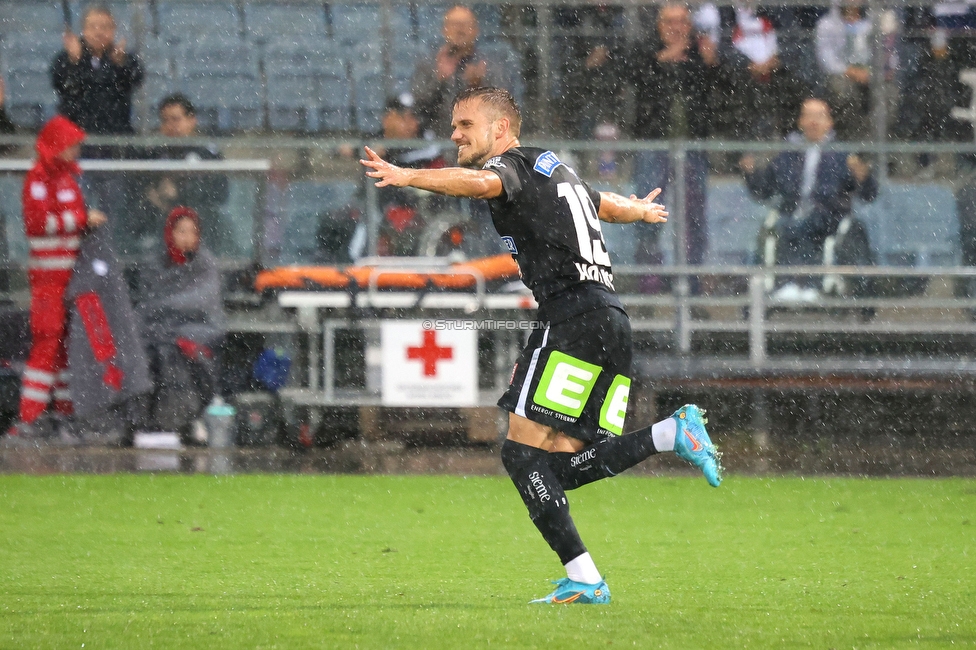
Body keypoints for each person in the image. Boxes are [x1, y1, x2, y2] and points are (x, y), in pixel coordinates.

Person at [361, 87, 721, 605]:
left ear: (501, 129)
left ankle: (587, 578)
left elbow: (478, 183)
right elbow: (601, 204)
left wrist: (409, 176)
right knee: (554, 465)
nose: (455, 134)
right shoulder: (554, 171)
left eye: (465, 125)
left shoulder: (508, 166)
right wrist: (638, 214)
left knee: (519, 453)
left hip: (570, 316)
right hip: (610, 319)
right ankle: (670, 434)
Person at [10, 115, 107, 440]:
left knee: (66, 348)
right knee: (46, 345)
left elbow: (57, 221)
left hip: (71, 278)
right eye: (73, 144)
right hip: (48, 282)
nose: (77, 150)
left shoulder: (68, 178)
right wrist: (80, 219)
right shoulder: (37, 179)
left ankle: (65, 416)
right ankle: (30, 418)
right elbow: (37, 224)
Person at [623, 3, 722, 288]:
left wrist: (710, 63)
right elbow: (630, 76)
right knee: (646, 212)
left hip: (692, 147)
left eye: (681, 22)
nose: (675, 27)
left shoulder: (700, 53)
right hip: (653, 145)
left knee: (694, 218)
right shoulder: (645, 51)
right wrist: (664, 59)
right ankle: (649, 280)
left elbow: (725, 85)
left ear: (689, 26)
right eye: (669, 21)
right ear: (659, 25)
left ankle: (691, 281)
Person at [739, 97, 878, 300]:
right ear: (800, 122)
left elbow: (869, 194)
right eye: (808, 116)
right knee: (783, 226)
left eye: (819, 116)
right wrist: (750, 174)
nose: (813, 122)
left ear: (830, 122)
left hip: (831, 216)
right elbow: (765, 190)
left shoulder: (842, 154)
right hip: (791, 212)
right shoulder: (788, 153)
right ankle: (786, 285)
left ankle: (810, 285)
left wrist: (863, 177)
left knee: (806, 225)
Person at [136, 206, 225, 435]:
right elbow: (147, 304)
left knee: (180, 351)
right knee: (142, 350)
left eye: (192, 232)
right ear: (169, 233)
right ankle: (146, 420)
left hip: (198, 328)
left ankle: (184, 417)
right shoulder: (154, 264)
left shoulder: (205, 265)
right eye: (181, 231)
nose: (187, 238)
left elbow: (202, 302)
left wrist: (167, 308)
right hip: (159, 330)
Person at [129, 94, 230, 255]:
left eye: (175, 119)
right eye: (165, 120)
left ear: (192, 120)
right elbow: (136, 186)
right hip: (159, 229)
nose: (170, 126)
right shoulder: (154, 153)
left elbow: (220, 193)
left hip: (200, 227)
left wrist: (178, 194)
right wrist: (154, 196)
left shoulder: (207, 154)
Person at [412, 5, 510, 138]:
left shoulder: (490, 65)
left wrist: (479, 85)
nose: (459, 29)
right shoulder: (429, 64)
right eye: (454, 24)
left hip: (480, 142)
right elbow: (417, 109)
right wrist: (439, 80)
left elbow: (504, 108)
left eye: (465, 24)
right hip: (438, 143)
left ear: (476, 30)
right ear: (444, 30)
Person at [51, 5, 143, 136]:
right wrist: (74, 63)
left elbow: (136, 80)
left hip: (115, 135)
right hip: (75, 136)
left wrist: (120, 64)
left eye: (105, 27)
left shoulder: (124, 58)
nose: (98, 32)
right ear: (84, 30)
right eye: (92, 27)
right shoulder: (66, 58)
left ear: (113, 30)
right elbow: (60, 84)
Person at [815, 1, 872, 139]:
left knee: (888, 95)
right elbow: (826, 60)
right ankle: (851, 145)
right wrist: (850, 71)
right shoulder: (826, 24)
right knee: (843, 91)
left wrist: (872, 73)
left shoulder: (873, 23)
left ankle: (870, 147)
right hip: (840, 75)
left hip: (870, 74)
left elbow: (885, 55)